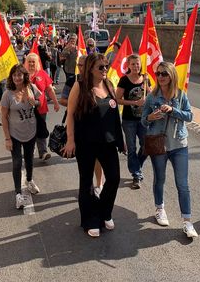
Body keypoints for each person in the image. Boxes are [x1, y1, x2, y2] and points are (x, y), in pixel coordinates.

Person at [62, 53, 125, 238]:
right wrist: (70, 140)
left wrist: (120, 141)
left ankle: (104, 212)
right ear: (90, 69)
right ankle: (90, 220)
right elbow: (71, 114)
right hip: (86, 142)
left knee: (113, 178)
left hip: (108, 143)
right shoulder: (80, 86)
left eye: (106, 66)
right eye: (101, 67)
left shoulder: (109, 84)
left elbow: (114, 117)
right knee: (87, 182)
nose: (105, 69)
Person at [141, 61, 197, 238]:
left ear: (172, 75)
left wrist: (173, 110)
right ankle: (160, 208)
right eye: (158, 74)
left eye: (164, 73)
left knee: (183, 184)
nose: (160, 77)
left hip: (179, 144)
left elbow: (190, 116)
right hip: (159, 144)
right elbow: (143, 121)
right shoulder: (152, 96)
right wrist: (151, 116)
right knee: (160, 178)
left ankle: (187, 222)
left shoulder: (180, 95)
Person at [0, 64, 42, 209]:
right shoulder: (7, 94)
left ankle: (29, 181)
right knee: (17, 162)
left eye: (20, 75)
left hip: (31, 131)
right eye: (14, 75)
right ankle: (18, 194)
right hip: (15, 134)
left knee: (30, 159)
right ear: (11, 77)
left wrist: (34, 102)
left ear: (24, 76)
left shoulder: (31, 88)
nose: (17, 77)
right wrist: (7, 138)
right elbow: (3, 117)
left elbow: (41, 101)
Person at [115, 54, 148, 189]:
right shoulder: (124, 80)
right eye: (133, 64)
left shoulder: (145, 79)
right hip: (129, 120)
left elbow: (151, 95)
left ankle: (136, 166)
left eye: (137, 63)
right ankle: (136, 175)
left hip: (144, 120)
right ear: (128, 65)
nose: (135, 66)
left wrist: (148, 86)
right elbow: (117, 99)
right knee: (132, 148)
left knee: (147, 145)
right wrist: (134, 102)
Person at [24, 53, 60, 162]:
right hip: (25, 109)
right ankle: (29, 150)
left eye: (33, 62)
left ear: (37, 63)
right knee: (28, 131)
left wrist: (55, 102)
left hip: (41, 108)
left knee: (41, 129)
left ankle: (43, 152)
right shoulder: (23, 74)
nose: (31, 64)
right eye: (29, 61)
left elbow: (49, 89)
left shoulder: (42, 74)